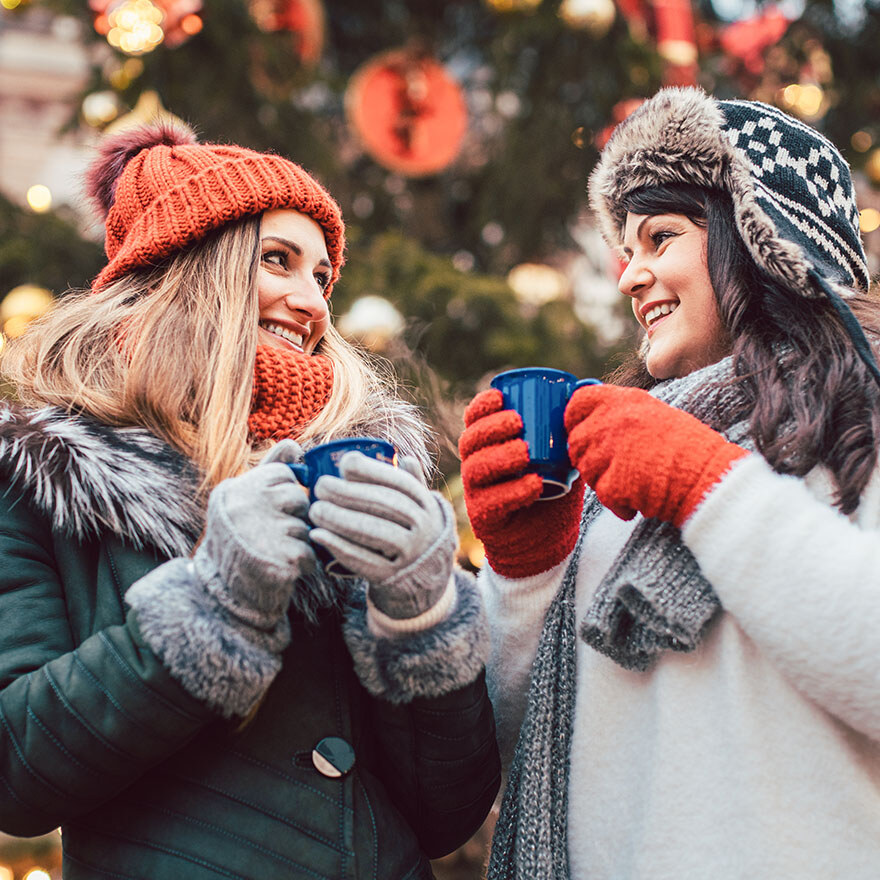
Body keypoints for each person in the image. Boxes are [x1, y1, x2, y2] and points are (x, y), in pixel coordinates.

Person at [0, 121, 500, 880]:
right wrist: (211, 607)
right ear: (188, 268)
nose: (312, 303)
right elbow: (15, 774)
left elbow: (445, 815)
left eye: (323, 277)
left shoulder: (367, 474)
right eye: (278, 260)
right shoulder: (47, 475)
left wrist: (423, 615)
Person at [459, 85, 880, 879]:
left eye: (660, 238)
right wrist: (525, 571)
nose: (630, 276)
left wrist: (709, 489)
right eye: (628, 248)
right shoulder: (627, 476)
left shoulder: (862, 423)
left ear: (760, 239)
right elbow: (534, 749)